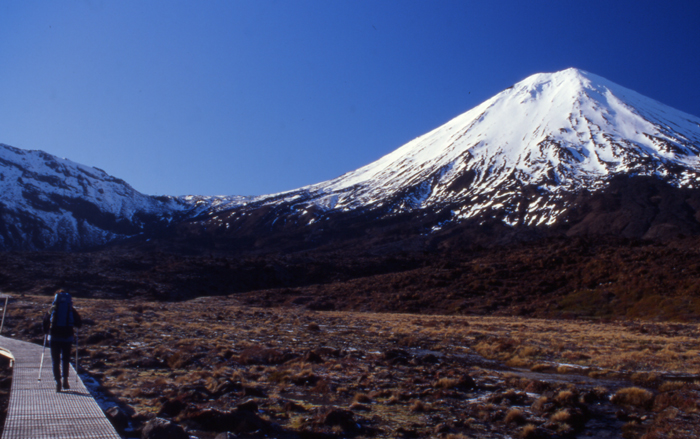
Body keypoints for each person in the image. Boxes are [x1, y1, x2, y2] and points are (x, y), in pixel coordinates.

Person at [42, 289, 82, 392]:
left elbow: (45, 322)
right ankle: (65, 379)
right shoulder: (70, 309)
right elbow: (79, 323)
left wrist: (46, 331)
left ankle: (57, 382)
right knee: (65, 359)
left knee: (55, 361)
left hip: (54, 337)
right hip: (67, 337)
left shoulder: (52, 309)